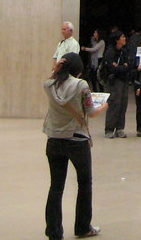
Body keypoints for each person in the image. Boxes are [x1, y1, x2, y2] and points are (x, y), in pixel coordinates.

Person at [43, 52, 104, 239]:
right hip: (77, 139)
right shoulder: (81, 85)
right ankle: (83, 227)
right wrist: (105, 106)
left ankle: (54, 231)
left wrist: (58, 66)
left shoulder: (48, 84)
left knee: (56, 186)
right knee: (84, 183)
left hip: (54, 139)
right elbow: (92, 112)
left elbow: (53, 76)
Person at [102, 33, 131, 138]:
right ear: (116, 40)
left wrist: (121, 67)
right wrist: (123, 67)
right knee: (114, 104)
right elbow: (111, 68)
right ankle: (109, 129)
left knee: (123, 104)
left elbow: (129, 65)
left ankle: (120, 128)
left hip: (124, 80)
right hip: (113, 82)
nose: (124, 38)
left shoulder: (124, 51)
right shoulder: (110, 52)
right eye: (122, 37)